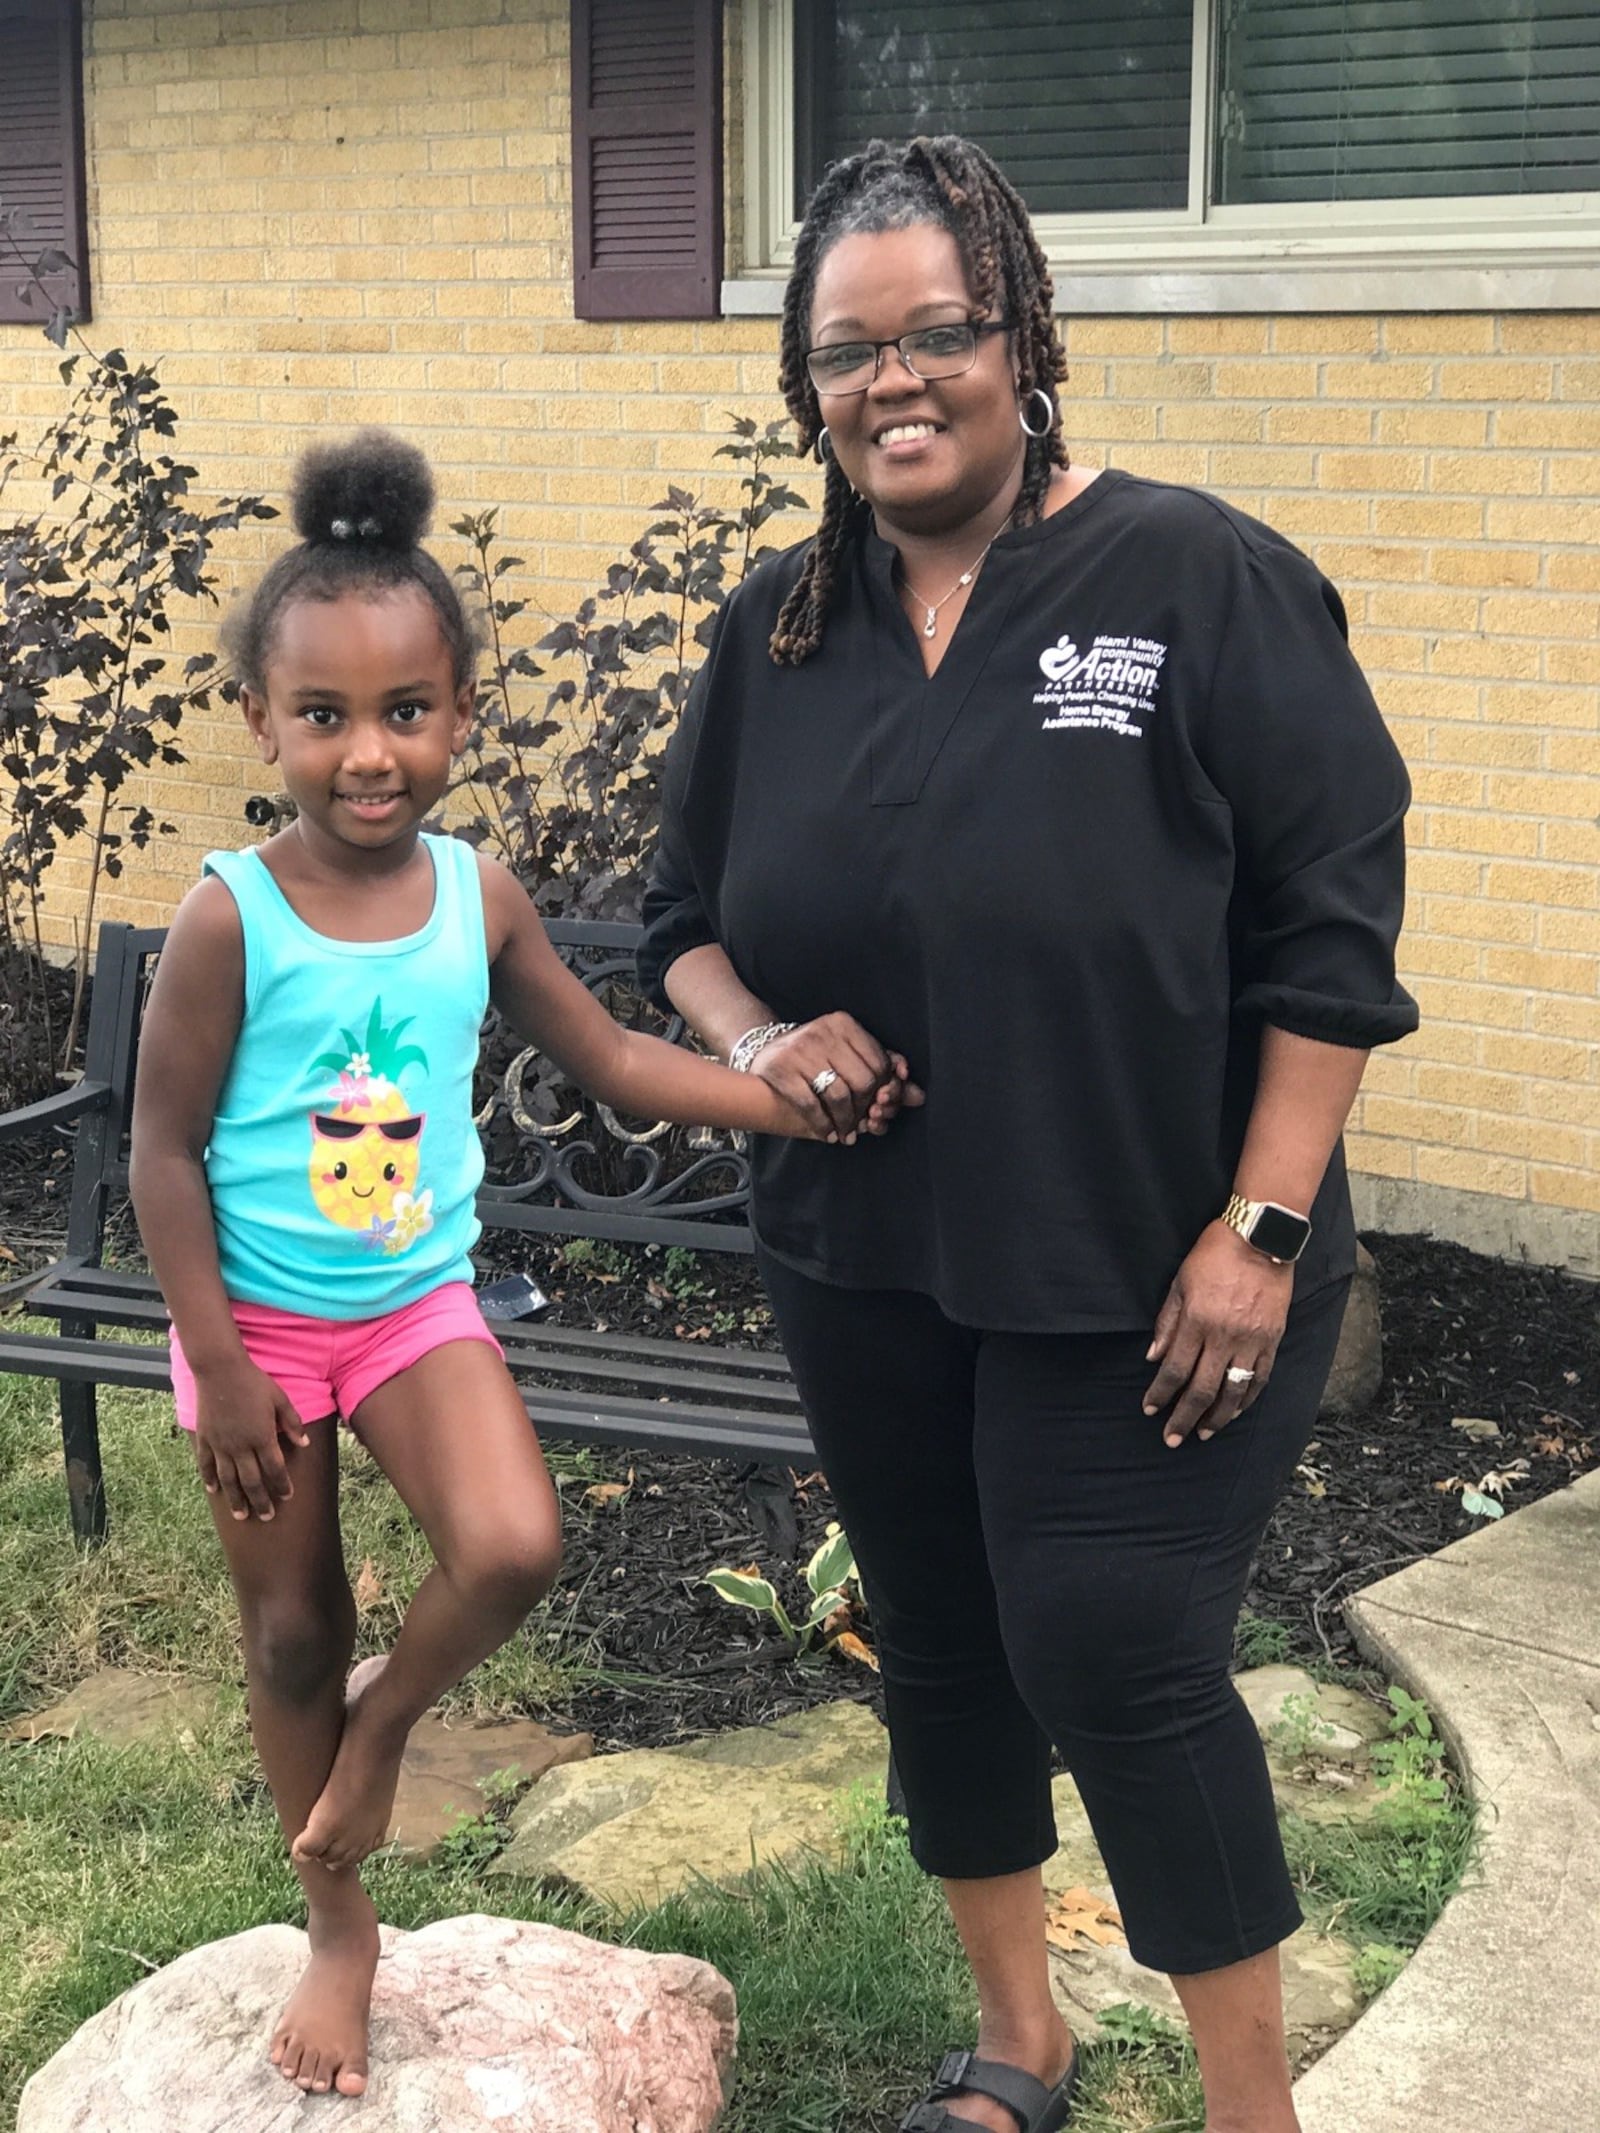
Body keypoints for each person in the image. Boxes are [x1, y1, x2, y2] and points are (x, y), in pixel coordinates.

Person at [640, 137, 1417, 2133]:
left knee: (1114, 1648)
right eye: (846, 350)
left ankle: (1252, 2107)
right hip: (867, 1244)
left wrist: (1261, 1218)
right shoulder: (780, 630)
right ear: (805, 385)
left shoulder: (1197, 578)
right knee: (938, 1637)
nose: (895, 381)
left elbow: (1329, 930)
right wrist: (760, 1030)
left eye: (937, 334)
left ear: (1019, 340)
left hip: (1157, 1255)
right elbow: (678, 920)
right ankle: (1020, 2036)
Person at [128, 430, 910, 2102]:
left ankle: (388, 1718)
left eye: (406, 710)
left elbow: (618, 1061)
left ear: (461, 713)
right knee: (285, 1631)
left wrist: (781, 1095)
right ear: (262, 722)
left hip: (413, 1306)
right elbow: (161, 1150)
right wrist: (223, 1352)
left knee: (510, 1541)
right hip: (255, 1330)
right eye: (323, 715)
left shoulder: (475, 895)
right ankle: (337, 1921)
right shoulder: (230, 917)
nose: (366, 753)